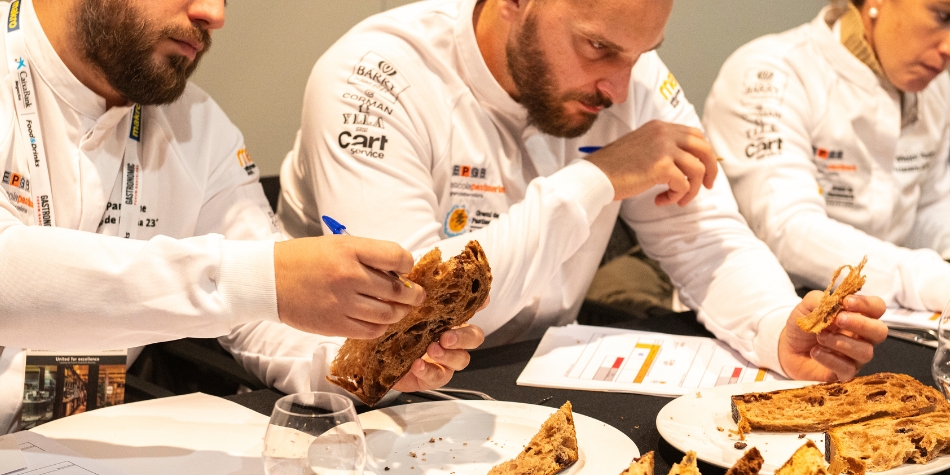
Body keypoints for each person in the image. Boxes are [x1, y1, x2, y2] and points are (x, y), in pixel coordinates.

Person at [278, 0, 891, 386]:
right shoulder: (374, 74)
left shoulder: (633, 81)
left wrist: (773, 322)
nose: (621, 89)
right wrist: (598, 179)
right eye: (598, 47)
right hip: (358, 400)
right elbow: (410, 316)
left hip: (540, 381)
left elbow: (704, 239)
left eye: (641, 54)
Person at [0, 0, 483, 434]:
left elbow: (262, 318)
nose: (216, 14)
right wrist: (263, 279)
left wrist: (369, 357)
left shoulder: (197, 124)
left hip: (78, 444)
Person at [703, 0, 950, 313]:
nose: (948, 48)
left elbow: (929, 205)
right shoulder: (770, 73)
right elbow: (788, 229)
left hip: (884, 312)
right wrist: (928, 280)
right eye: (942, 16)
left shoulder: (935, 88)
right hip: (763, 310)